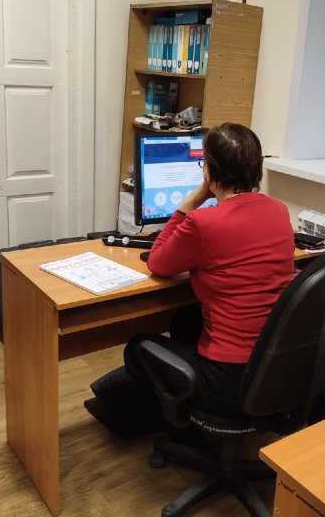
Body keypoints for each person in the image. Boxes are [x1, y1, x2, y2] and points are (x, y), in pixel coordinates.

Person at [118, 122, 295, 419]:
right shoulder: (279, 210)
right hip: (272, 369)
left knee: (137, 347)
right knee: (186, 319)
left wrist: (190, 203)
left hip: (227, 380)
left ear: (209, 171)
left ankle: (175, 422)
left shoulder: (204, 222)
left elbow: (157, 262)